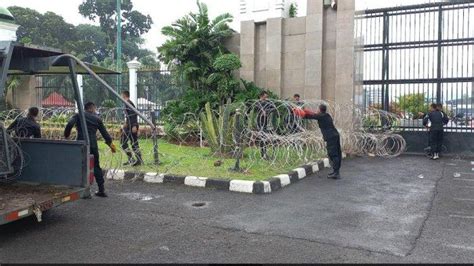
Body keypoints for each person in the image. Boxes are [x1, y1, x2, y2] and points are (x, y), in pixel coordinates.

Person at [64, 102, 116, 197]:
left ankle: (78, 189)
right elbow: (105, 134)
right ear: (92, 108)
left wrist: (66, 135)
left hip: (81, 144)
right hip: (92, 144)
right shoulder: (97, 119)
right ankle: (101, 189)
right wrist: (111, 145)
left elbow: (70, 124)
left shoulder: (79, 115)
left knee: (79, 165)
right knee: (96, 166)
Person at [302, 104, 342, 179]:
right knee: (336, 153)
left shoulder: (321, 116)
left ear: (320, 110)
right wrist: (305, 112)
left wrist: (302, 113)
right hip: (334, 135)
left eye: (318, 109)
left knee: (333, 154)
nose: (317, 110)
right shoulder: (326, 115)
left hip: (331, 137)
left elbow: (312, 116)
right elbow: (314, 114)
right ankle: (336, 172)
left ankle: (336, 173)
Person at [120, 91, 142, 166]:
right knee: (123, 142)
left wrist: (134, 125)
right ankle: (131, 159)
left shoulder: (129, 103)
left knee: (134, 143)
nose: (120, 96)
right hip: (128, 126)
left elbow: (134, 114)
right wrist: (125, 125)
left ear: (124, 95)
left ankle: (139, 160)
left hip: (132, 126)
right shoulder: (126, 103)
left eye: (121, 95)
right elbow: (128, 116)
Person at [255, 91, 275, 160]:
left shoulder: (267, 103)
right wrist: (262, 111)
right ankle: (263, 154)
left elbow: (273, 108)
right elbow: (257, 109)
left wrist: (267, 111)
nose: (266, 98)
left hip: (265, 122)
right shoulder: (258, 103)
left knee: (265, 138)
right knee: (262, 138)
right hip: (260, 122)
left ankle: (264, 153)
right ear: (261, 96)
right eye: (265, 96)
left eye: (267, 97)